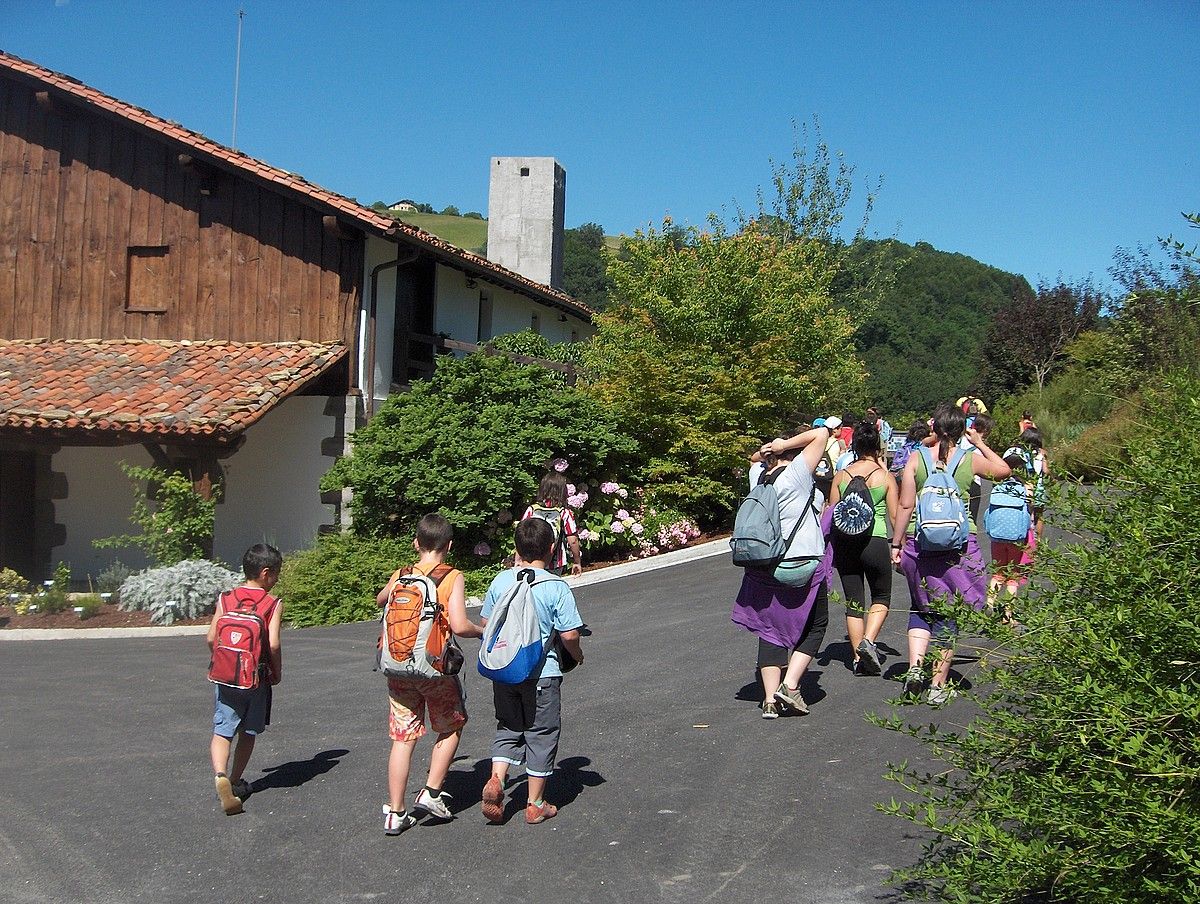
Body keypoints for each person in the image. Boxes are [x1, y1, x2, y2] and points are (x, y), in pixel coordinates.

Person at [889, 404, 1011, 705]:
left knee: (922, 606)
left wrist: (896, 543)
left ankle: (916, 669)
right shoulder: (970, 460)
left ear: (935, 429)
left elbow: (905, 506)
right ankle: (938, 684)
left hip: (922, 541)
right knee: (950, 610)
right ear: (961, 431)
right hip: (959, 545)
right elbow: (1005, 470)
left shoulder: (916, 460)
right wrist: (979, 442)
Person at [376, 513, 483, 836]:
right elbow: (461, 625)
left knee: (403, 737)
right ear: (449, 546)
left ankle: (396, 812)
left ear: (415, 543)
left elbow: (381, 599)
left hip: (397, 666)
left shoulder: (402, 573)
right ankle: (432, 792)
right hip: (433, 668)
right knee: (452, 725)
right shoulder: (452, 577)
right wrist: (481, 631)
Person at [479, 518, 585, 825]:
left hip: (506, 670)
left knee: (508, 726)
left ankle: (497, 778)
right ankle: (536, 803)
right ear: (552, 549)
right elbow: (570, 635)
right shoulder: (555, 586)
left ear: (516, 548)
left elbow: (487, 625)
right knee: (542, 732)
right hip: (542, 673)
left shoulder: (500, 581)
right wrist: (577, 657)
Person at [731, 424, 833, 719]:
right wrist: (782, 444)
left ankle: (769, 701)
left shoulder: (759, 478)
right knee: (816, 624)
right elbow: (822, 434)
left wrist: (766, 451)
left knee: (770, 628)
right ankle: (789, 686)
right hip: (798, 565)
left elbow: (752, 460)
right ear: (796, 452)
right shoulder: (797, 475)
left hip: (762, 564)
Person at [208, 543, 284, 816]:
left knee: (222, 729)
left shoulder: (225, 598)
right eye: (276, 574)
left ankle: (220, 775)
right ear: (266, 573)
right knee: (247, 732)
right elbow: (273, 645)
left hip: (225, 676)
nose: (276, 580)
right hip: (255, 679)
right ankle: (237, 780)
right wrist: (276, 672)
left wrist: (221, 661)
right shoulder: (271, 603)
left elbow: (210, 637)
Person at [829, 419, 899, 676]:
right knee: (881, 596)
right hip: (876, 540)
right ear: (877, 446)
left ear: (854, 445)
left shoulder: (841, 476)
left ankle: (858, 658)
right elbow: (894, 517)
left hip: (846, 543)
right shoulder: (885, 477)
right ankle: (869, 641)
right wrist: (899, 545)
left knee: (854, 603)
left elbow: (832, 514)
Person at [521, 472, 583, 577]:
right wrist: (577, 561)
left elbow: (521, 534)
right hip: (555, 562)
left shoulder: (531, 509)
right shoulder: (564, 512)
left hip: (531, 561)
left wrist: (518, 559)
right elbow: (573, 540)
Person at [1019, 427, 1050, 540]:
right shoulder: (1042, 453)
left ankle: (1027, 539)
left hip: (1026, 488)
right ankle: (1039, 542)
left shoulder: (1022, 453)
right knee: (1039, 516)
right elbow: (1046, 471)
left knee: (1026, 513)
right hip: (1039, 488)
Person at [966, 413, 995, 525]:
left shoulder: (961, 439)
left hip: (959, 482)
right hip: (974, 484)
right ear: (986, 429)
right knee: (972, 519)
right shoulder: (981, 446)